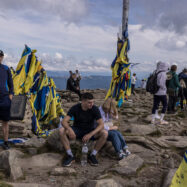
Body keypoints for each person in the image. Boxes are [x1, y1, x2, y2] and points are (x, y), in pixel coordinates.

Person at [59, 93, 108, 167]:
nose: (92, 104)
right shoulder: (75, 108)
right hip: (77, 130)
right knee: (61, 130)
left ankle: (92, 155)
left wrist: (90, 134)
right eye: (89, 102)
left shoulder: (95, 109)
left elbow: (101, 125)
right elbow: (64, 121)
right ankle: (70, 155)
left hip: (90, 130)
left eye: (92, 102)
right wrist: (69, 129)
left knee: (105, 133)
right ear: (83, 101)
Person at [0, 50, 14, 150]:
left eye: (1, 56)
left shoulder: (6, 68)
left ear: (2, 57)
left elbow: (11, 84)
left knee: (5, 122)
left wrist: (11, 95)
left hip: (5, 98)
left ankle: (6, 142)